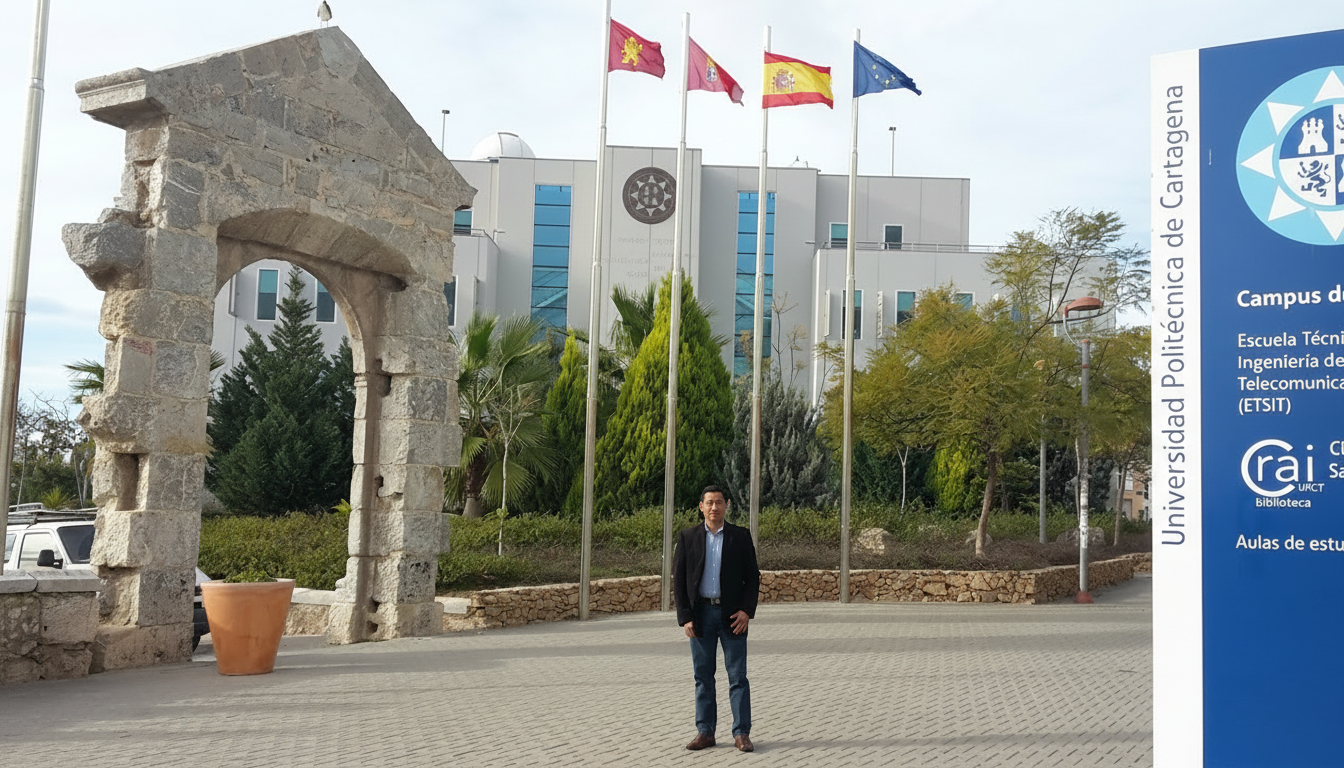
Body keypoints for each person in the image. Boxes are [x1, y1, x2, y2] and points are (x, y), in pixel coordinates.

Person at [672, 485, 761, 752]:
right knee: (703, 677)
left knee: (738, 677)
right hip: (700, 616)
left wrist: (746, 611)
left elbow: (752, 577)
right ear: (701, 506)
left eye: (719, 502)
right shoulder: (687, 537)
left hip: (732, 617)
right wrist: (685, 617)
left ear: (727, 505)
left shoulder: (740, 536)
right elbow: (679, 581)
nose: (714, 507)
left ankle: (741, 733)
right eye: (709, 502)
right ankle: (705, 732)